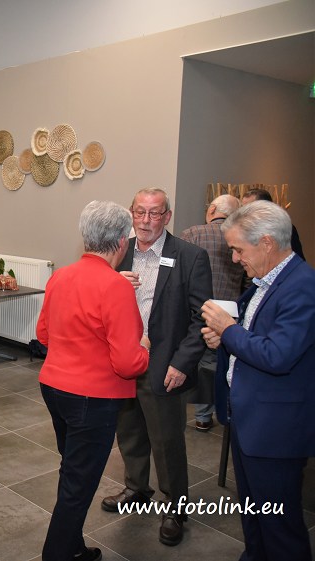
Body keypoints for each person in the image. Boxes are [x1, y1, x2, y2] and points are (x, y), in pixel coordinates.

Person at [201, 201, 315, 561]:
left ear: (266, 243)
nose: (235, 259)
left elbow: (278, 354)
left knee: (280, 528)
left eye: (239, 249)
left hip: (275, 430)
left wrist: (228, 330)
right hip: (251, 420)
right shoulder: (266, 281)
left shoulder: (302, 286)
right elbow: (257, 337)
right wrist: (226, 339)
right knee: (254, 514)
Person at [37, 201, 150, 561]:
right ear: (122, 242)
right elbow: (128, 363)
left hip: (54, 387)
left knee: (73, 471)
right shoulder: (116, 287)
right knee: (78, 485)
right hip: (92, 398)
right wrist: (146, 348)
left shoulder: (60, 276)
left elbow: (43, 335)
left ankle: (73, 548)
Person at [100, 188, 212, 547]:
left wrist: (182, 363)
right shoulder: (119, 252)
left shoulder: (190, 257)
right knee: (128, 431)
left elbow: (201, 319)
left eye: (154, 213)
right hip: (123, 360)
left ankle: (176, 507)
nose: (145, 220)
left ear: (167, 216)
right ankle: (136, 488)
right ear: (131, 213)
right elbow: (99, 299)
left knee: (167, 441)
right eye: (139, 212)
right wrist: (114, 284)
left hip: (164, 365)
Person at [180, 194, 245, 432]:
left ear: (213, 209)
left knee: (195, 361)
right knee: (220, 363)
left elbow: (179, 273)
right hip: (228, 310)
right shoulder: (241, 237)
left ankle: (201, 416)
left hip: (197, 309)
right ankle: (224, 410)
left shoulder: (192, 234)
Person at [241, 188, 304, 260]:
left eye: (249, 208)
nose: (244, 213)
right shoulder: (242, 230)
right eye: (243, 208)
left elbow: (297, 258)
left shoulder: (283, 228)